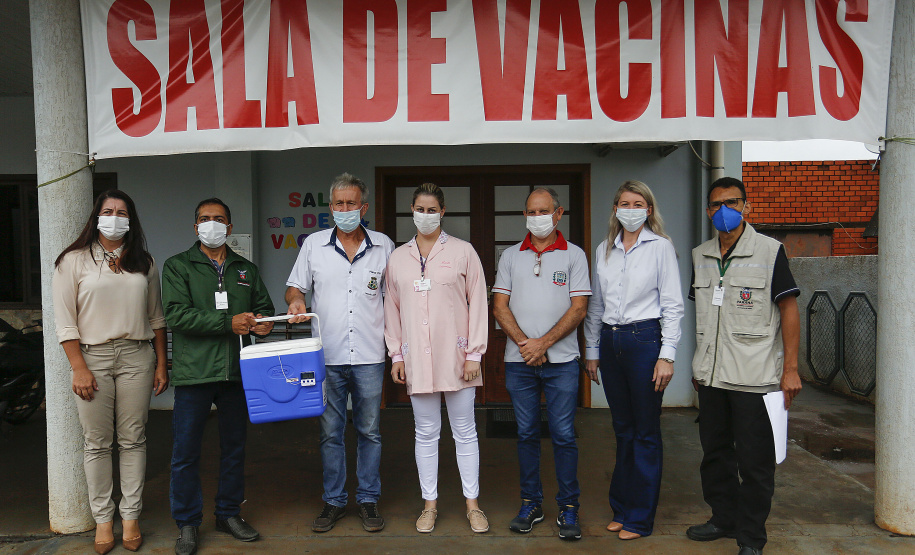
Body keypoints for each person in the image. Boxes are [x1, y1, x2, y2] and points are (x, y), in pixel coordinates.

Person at [685, 177, 801, 555]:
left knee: (755, 464)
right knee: (715, 455)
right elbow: (701, 315)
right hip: (712, 378)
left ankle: (751, 538)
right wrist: (699, 364)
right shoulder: (699, 255)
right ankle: (723, 518)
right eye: (716, 203)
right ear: (708, 210)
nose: (724, 210)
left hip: (755, 379)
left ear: (746, 206)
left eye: (732, 202)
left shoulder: (770, 252)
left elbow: (789, 310)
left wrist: (791, 369)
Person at [53, 190, 168, 555]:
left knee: (133, 439)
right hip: (92, 358)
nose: (114, 217)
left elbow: (157, 318)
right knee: (97, 443)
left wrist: (162, 362)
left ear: (130, 220)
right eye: (108, 211)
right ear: (96, 216)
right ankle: (104, 521)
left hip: (137, 356)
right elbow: (65, 322)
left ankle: (130, 516)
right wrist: (79, 368)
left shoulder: (144, 262)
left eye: (121, 212)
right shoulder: (72, 261)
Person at [162, 198, 274, 555]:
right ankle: (188, 523)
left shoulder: (245, 268)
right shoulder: (178, 266)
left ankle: (227, 514)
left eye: (219, 219)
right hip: (195, 373)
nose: (212, 224)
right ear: (195, 227)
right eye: (205, 219)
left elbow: (264, 309)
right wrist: (228, 323)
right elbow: (177, 316)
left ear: (229, 226)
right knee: (185, 452)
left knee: (234, 449)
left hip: (237, 374)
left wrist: (265, 324)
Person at [285, 173, 395, 533]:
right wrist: (297, 299)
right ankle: (333, 501)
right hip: (327, 355)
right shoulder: (314, 245)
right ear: (330, 207)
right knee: (330, 432)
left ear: (364, 207)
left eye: (352, 203)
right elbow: (295, 287)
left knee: (370, 431)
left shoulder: (383, 246)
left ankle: (367, 499)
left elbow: (395, 299)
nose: (345, 209)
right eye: (339, 204)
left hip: (369, 356)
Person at [383, 183, 489, 534]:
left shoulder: (463, 252)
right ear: (411, 209)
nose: (425, 215)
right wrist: (396, 354)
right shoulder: (398, 258)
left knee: (465, 431)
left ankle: (472, 504)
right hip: (417, 361)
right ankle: (430, 504)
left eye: (432, 210)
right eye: (420, 208)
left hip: (460, 359)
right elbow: (391, 310)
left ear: (443, 212)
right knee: (426, 433)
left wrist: (474, 353)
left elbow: (479, 303)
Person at [584, 180, 684, 541]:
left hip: (645, 341)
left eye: (638, 203)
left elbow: (672, 304)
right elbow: (595, 305)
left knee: (645, 432)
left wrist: (666, 355)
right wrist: (592, 351)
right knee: (622, 431)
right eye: (624, 203)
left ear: (649, 210)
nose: (631, 208)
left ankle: (639, 519)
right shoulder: (604, 250)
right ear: (615, 209)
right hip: (611, 343)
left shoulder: (660, 248)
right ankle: (621, 509)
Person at [492, 187, 591, 541]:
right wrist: (525, 345)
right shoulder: (510, 257)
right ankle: (531, 503)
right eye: (531, 212)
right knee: (527, 434)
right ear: (525, 216)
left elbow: (579, 308)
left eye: (544, 211)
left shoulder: (574, 256)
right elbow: (499, 307)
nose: (537, 218)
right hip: (520, 362)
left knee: (564, 436)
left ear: (558, 213)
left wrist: (543, 343)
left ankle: (568, 507)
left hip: (562, 362)